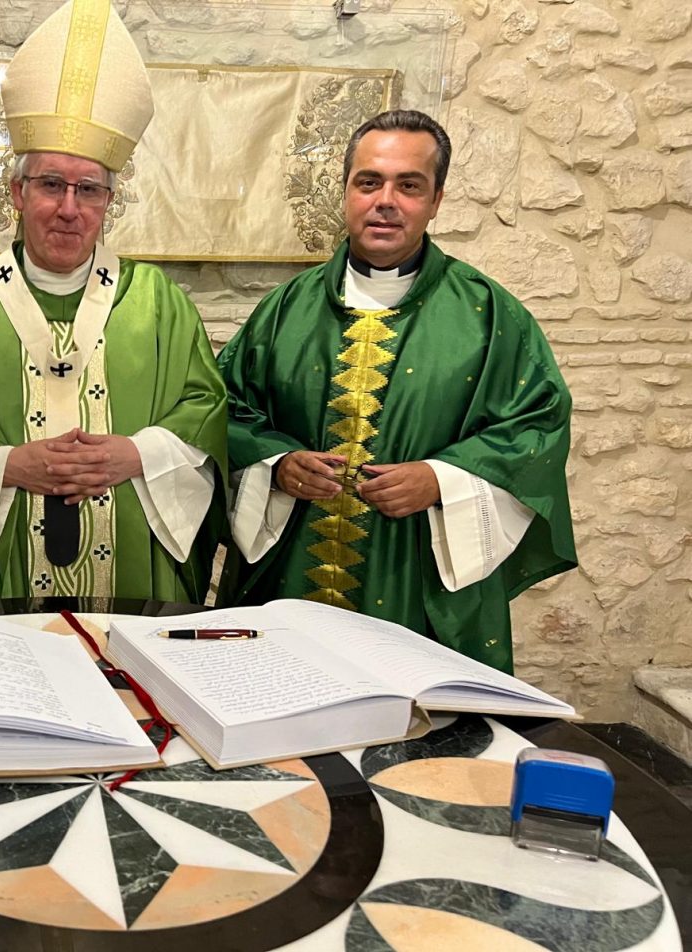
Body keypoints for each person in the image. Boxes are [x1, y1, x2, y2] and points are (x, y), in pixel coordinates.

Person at [0, 0, 227, 607]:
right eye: (51, 184)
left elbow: (204, 413)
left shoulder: (160, 304)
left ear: (108, 201)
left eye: (89, 189)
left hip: (131, 582)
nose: (69, 208)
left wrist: (136, 454)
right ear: (18, 191)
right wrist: (9, 467)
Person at [217, 109, 576, 673]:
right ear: (346, 193)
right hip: (290, 571)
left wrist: (442, 479)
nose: (386, 200)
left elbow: (536, 427)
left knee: (415, 742)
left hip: (417, 579)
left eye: (409, 185)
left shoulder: (488, 315)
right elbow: (223, 413)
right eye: (369, 182)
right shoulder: (284, 310)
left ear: (436, 201)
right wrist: (277, 465)